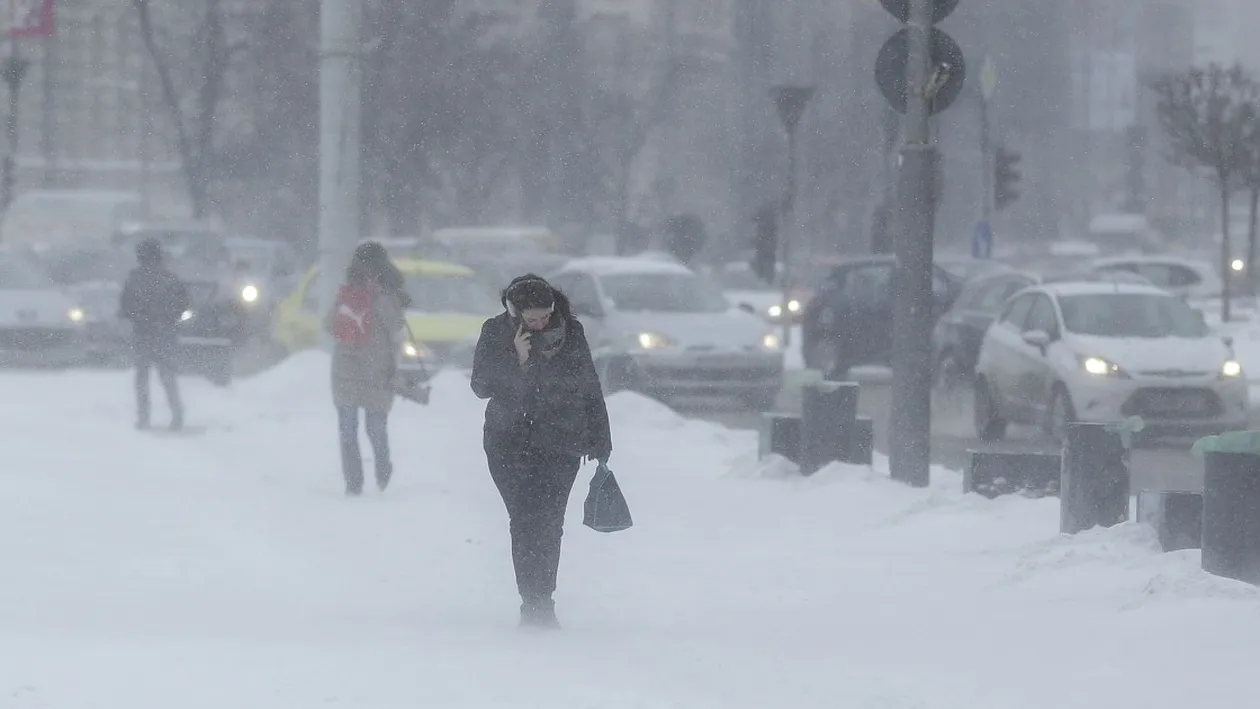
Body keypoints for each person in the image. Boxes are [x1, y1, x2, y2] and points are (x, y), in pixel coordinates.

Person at [470, 273, 612, 629]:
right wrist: (516, 359)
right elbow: (481, 385)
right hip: (508, 443)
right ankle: (530, 600)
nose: (541, 324)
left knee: (549, 522)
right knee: (523, 520)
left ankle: (542, 601)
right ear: (514, 313)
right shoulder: (495, 331)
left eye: (546, 316)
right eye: (532, 319)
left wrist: (601, 437)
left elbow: (589, 384)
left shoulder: (571, 332)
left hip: (561, 440)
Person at [324, 242, 407, 496]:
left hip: (378, 371)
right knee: (348, 428)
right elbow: (329, 324)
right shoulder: (347, 294)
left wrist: (381, 300)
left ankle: (382, 467)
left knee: (375, 428)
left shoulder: (388, 298)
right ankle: (353, 482)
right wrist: (349, 306)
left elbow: (396, 331)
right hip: (347, 370)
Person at [119, 238, 190, 431]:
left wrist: (137, 317)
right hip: (165, 333)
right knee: (167, 376)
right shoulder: (170, 278)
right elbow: (184, 303)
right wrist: (170, 320)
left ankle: (144, 417)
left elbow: (125, 306)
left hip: (142, 333)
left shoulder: (134, 279)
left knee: (142, 377)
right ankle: (177, 414)